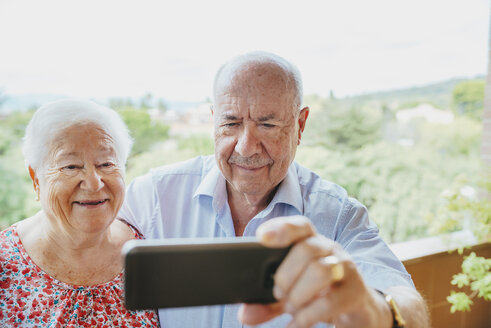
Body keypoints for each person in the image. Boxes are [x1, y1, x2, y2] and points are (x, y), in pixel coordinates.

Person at [120, 51, 429, 328]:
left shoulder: (338, 216)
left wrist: (374, 311)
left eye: (267, 125)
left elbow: (408, 304)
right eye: (231, 123)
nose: (246, 146)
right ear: (213, 122)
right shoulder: (155, 195)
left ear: (300, 125)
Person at [0, 99, 159, 327]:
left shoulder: (149, 251)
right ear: (36, 180)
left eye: (106, 164)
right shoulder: (5, 263)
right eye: (71, 166)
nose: (94, 184)